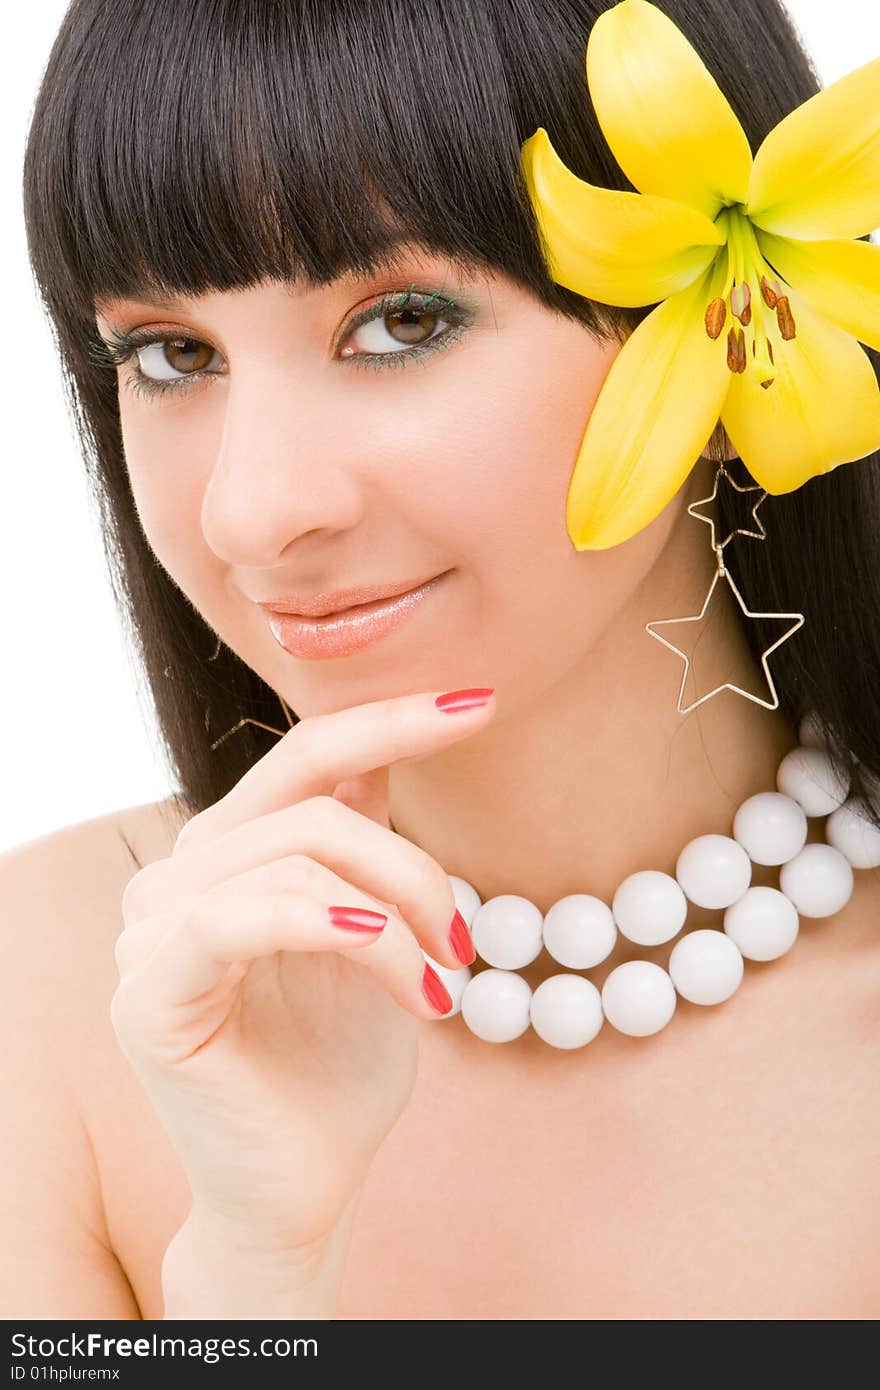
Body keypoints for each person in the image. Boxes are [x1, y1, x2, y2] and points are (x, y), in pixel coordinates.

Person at [4, 0, 879, 1320]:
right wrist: (254, 1275)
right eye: (171, 353)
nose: (252, 512)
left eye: (402, 320)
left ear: (731, 337)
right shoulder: (42, 999)